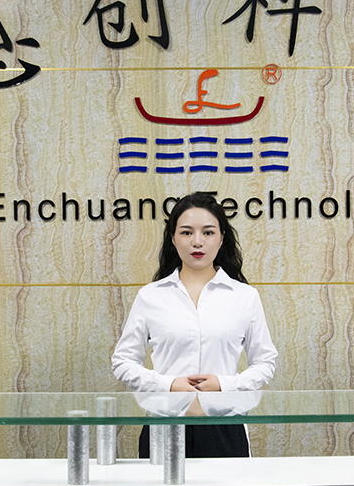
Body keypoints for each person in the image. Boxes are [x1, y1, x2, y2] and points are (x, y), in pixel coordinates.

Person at [111, 192, 277, 458]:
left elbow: (265, 362)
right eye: (186, 232)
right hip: (164, 425)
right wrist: (168, 384)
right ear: (173, 238)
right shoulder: (150, 296)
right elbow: (123, 361)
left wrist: (224, 384)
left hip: (224, 426)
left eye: (208, 232)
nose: (197, 241)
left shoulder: (245, 296)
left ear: (221, 238)